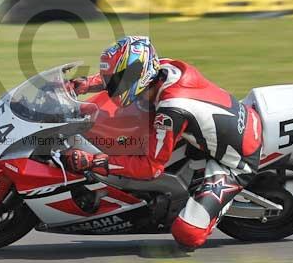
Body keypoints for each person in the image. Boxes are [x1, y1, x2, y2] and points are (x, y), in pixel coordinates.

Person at [62, 35, 263, 249]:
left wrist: (94, 162)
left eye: (117, 80)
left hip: (236, 160)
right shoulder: (161, 68)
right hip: (219, 128)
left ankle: (209, 209)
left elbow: (150, 168)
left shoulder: (170, 111)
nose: (113, 85)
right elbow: (120, 78)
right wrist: (81, 85)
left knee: (187, 234)